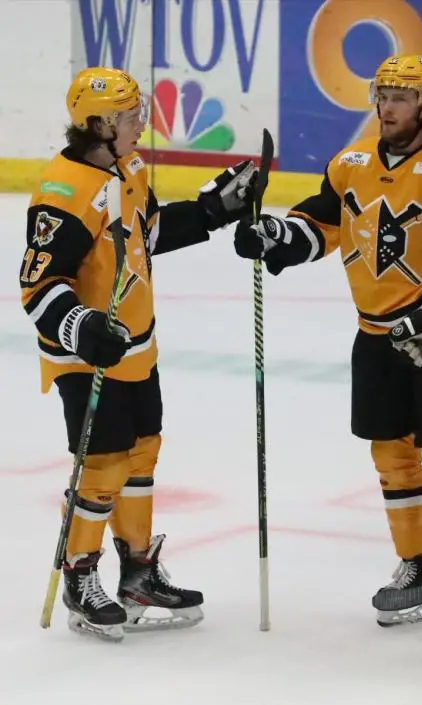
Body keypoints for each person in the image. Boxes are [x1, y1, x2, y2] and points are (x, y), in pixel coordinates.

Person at [231, 54, 422, 639]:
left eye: (401, 96)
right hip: (374, 338)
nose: (386, 105)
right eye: (382, 94)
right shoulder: (350, 163)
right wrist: (275, 235)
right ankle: (417, 559)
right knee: (392, 458)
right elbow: (321, 225)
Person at [20, 67, 256, 641]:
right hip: (89, 356)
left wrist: (211, 210)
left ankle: (138, 573)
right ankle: (80, 575)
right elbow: (37, 284)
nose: (141, 124)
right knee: (103, 464)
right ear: (100, 125)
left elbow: (144, 235)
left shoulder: (127, 169)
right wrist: (80, 325)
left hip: (136, 345)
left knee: (142, 454)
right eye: (130, 117)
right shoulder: (64, 191)